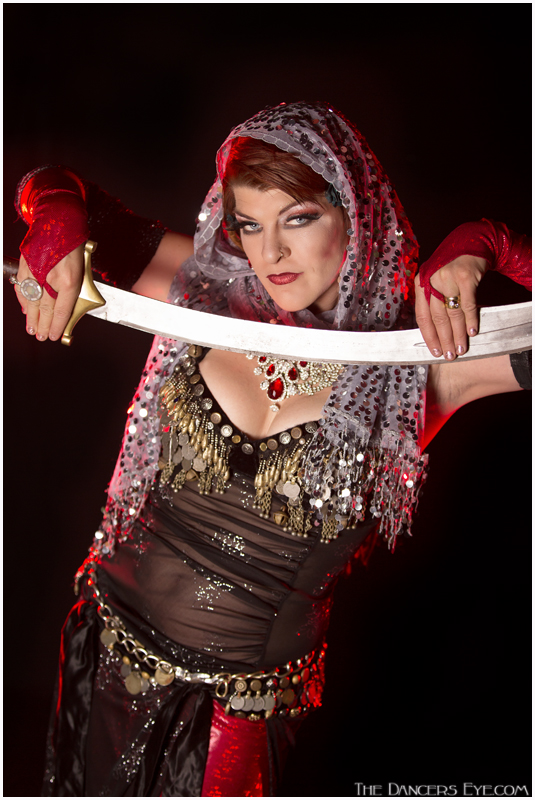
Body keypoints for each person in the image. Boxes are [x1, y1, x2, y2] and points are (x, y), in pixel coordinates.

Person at [11, 102, 531, 797]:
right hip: (102, 651)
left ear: (355, 211)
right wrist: (55, 213)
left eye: (298, 219)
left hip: (235, 722)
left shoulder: (424, 357)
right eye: (250, 224)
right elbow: (53, 186)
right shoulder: (203, 288)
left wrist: (487, 244)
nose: (270, 253)